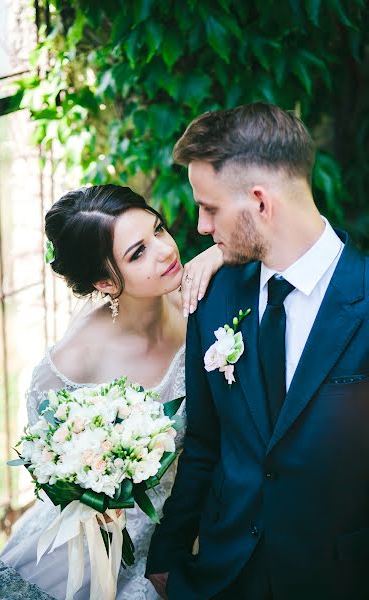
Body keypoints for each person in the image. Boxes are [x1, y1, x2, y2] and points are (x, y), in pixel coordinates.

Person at [146, 102, 369, 600]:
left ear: (261, 203)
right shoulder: (213, 296)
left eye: (210, 208)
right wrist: (169, 551)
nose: (201, 228)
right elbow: (204, 442)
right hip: (223, 576)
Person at [0, 184, 223, 599]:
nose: (165, 251)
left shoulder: (193, 292)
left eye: (157, 229)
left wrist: (219, 252)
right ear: (104, 282)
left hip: (188, 514)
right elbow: (50, 462)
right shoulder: (73, 362)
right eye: (137, 253)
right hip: (95, 543)